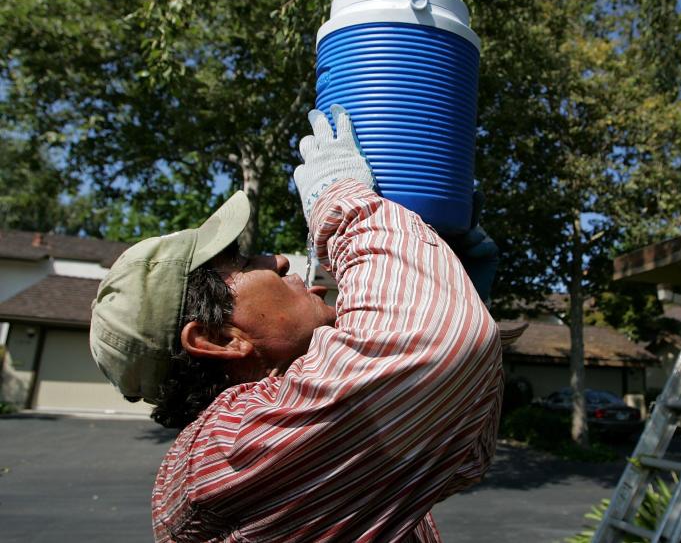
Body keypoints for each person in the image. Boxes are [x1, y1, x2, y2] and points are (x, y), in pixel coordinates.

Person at [90, 105, 514, 542]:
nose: (277, 259)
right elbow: (435, 342)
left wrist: (441, 276)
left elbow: (461, 458)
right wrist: (342, 201)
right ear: (219, 338)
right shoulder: (225, 454)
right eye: (241, 262)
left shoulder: (303, 440)